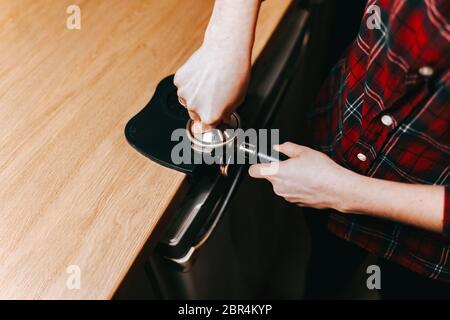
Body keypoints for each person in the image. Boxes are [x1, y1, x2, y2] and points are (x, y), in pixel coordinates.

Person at [174, 0, 450, 298]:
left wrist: (344, 193)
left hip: (428, 246)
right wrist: (225, 40)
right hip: (342, 139)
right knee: (324, 269)